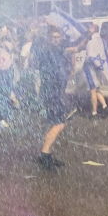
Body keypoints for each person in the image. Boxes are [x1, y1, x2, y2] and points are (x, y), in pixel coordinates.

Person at [36, 27, 90, 169]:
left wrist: (88, 34)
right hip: (50, 92)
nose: (57, 39)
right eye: (54, 37)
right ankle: (44, 154)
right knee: (59, 123)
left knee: (58, 122)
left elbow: (77, 48)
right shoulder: (45, 51)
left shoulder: (57, 49)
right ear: (48, 38)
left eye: (58, 37)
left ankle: (45, 153)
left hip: (54, 91)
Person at [83, 23, 108, 118]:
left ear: (94, 29)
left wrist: (86, 60)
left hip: (90, 68)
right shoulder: (100, 40)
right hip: (96, 67)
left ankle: (94, 112)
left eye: (91, 27)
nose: (89, 28)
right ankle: (105, 106)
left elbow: (90, 56)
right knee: (96, 89)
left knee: (92, 91)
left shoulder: (91, 41)